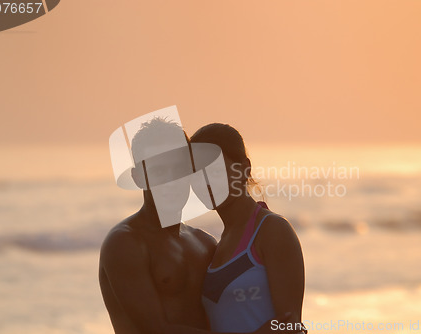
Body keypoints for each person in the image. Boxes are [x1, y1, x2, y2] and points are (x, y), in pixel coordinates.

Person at [99, 118, 299, 334]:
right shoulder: (125, 243)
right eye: (158, 171)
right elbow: (156, 330)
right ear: (138, 177)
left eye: (179, 169)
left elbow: (284, 322)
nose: (170, 180)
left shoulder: (205, 244)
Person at [191, 123, 307, 334]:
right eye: (196, 172)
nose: (205, 181)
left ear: (244, 168)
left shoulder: (272, 231)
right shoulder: (214, 246)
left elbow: (291, 326)